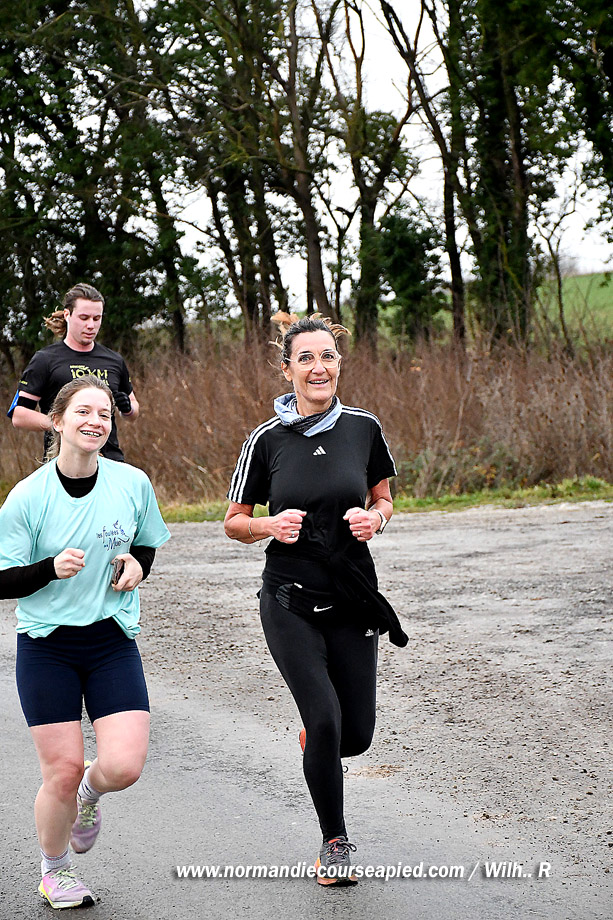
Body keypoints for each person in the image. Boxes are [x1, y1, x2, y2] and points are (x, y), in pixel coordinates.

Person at [224, 314, 408, 887]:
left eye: (327, 355)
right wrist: (268, 526)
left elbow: (384, 499)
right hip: (289, 598)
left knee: (357, 736)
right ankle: (335, 843)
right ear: (287, 370)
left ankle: (319, 742)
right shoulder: (266, 440)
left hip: (351, 594)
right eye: (305, 358)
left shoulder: (364, 428)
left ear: (339, 363)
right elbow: (233, 521)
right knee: (325, 719)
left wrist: (375, 520)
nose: (318, 367)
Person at [0, 375, 170, 909]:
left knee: (123, 766)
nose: (96, 421)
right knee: (62, 769)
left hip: (110, 640)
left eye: (104, 414)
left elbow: (147, 542)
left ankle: (89, 795)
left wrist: (138, 566)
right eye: (83, 412)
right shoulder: (28, 497)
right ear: (57, 421)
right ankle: (55, 871)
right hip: (46, 646)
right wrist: (48, 569)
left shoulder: (132, 483)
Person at [8, 282, 139, 461]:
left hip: (109, 460)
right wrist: (62, 424)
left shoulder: (114, 360)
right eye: (84, 318)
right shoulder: (45, 359)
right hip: (63, 462)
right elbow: (19, 415)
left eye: (97, 318)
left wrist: (128, 409)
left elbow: (133, 410)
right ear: (67, 315)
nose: (91, 325)